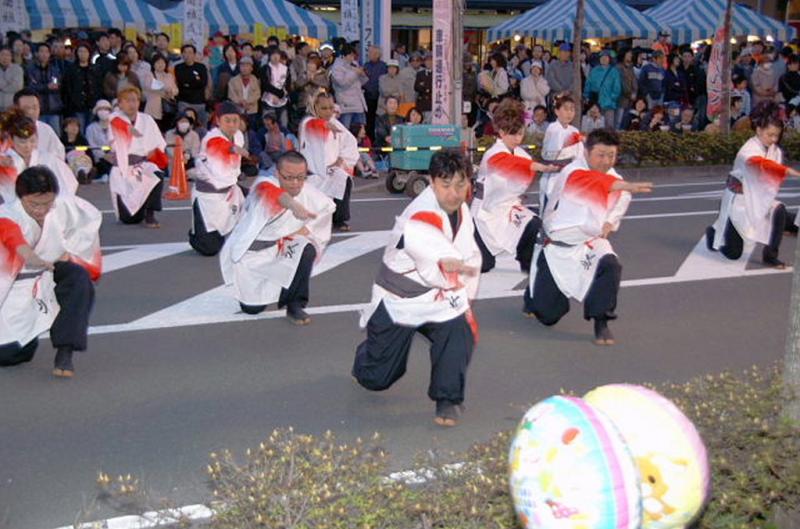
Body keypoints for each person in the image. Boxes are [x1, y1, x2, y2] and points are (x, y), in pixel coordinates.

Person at [352, 150, 481, 427]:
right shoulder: (421, 215)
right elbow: (433, 265)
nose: (454, 193)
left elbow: (470, 253)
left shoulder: (462, 209)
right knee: (377, 378)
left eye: (461, 184)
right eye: (445, 184)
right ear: (432, 182)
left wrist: (466, 297)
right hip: (400, 298)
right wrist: (453, 269)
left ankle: (447, 399)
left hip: (438, 295)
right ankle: (366, 355)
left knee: (459, 330)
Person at [524, 129, 653, 345]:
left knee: (610, 265)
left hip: (588, 243)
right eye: (600, 155)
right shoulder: (572, 172)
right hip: (556, 247)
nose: (606, 161)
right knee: (548, 316)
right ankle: (533, 294)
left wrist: (610, 221)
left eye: (611, 155)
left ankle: (601, 322)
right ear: (586, 152)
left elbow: (620, 202)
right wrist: (623, 186)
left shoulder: (615, 179)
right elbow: (592, 182)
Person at [0, 166, 101, 376]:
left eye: (46, 203)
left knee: (78, 278)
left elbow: (90, 218)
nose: (41, 210)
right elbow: (12, 237)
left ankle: (65, 351)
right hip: (12, 287)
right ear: (20, 197)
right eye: (33, 204)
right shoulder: (7, 214)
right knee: (13, 355)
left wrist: (70, 250)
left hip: (47, 273)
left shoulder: (62, 206)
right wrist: (31, 257)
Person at [220, 151, 335, 324]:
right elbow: (272, 193)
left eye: (300, 177)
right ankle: (268, 291)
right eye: (289, 177)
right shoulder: (263, 184)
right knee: (252, 309)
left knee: (306, 249)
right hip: (253, 253)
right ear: (277, 173)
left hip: (282, 247)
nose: (295, 183)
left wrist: (308, 228)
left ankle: (295, 304)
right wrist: (293, 205)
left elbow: (328, 208)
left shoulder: (308, 191)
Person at [706, 103, 800, 269]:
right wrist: (787, 171)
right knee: (733, 253)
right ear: (758, 130)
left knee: (778, 210)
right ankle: (713, 233)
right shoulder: (748, 149)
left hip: (757, 196)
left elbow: (770, 177)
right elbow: (759, 162)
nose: (773, 139)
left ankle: (770, 255)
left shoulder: (775, 151)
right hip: (739, 200)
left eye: (776, 135)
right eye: (770, 135)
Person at [471, 98, 559, 274]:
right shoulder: (493, 154)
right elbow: (510, 163)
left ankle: (527, 262)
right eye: (513, 134)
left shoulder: (521, 154)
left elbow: (520, 167)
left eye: (520, 134)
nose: (518, 139)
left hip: (508, 208)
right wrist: (538, 166)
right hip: (485, 212)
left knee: (533, 224)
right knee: (485, 264)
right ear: (502, 132)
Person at [187, 102, 247, 256]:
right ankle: (197, 235)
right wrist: (234, 149)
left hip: (230, 191)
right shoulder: (211, 138)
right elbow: (221, 146)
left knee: (256, 201)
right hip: (209, 195)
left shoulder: (238, 136)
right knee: (209, 249)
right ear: (218, 121)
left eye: (235, 120)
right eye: (227, 120)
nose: (232, 124)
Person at [107, 86, 168, 228]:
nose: (132, 104)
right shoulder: (115, 119)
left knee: (155, 173)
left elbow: (158, 142)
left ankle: (150, 213)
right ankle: (139, 210)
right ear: (120, 103)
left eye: (134, 100)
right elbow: (116, 130)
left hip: (142, 164)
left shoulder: (147, 119)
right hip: (122, 169)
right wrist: (129, 129)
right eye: (127, 101)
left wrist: (154, 151)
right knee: (129, 219)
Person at [299, 91, 359, 232]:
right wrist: (324, 125)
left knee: (343, 179)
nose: (328, 112)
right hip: (313, 172)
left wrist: (341, 159)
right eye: (324, 108)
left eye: (331, 108)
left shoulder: (335, 123)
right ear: (315, 107)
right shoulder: (307, 123)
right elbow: (314, 125)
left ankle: (340, 219)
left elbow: (350, 142)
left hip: (332, 169)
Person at [0, 109, 78, 201]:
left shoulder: (48, 159)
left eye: (32, 141)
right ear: (11, 140)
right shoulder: (4, 162)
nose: (28, 146)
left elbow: (67, 187)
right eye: (22, 142)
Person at [540, 92, 583, 210]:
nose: (569, 113)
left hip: (570, 175)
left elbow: (579, 155)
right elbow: (549, 155)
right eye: (566, 109)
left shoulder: (574, 130)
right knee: (551, 210)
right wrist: (567, 153)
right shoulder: (553, 128)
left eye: (572, 109)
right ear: (557, 111)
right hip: (554, 175)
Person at [25, 43, 64, 134]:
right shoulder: (30, 69)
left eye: (46, 52)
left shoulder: (55, 69)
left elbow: (58, 85)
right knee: (39, 135)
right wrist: (46, 87)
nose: (44, 54)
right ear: (36, 53)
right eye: (41, 51)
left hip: (54, 108)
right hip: (38, 109)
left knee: (55, 135)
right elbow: (31, 87)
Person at [62, 43, 98, 132]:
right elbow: (66, 88)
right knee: (79, 130)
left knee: (91, 130)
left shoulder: (94, 69)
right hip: (77, 107)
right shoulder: (71, 70)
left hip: (92, 105)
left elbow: (98, 86)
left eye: (85, 51)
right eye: (80, 51)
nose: (83, 54)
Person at [331, 44, 368, 129]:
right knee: (346, 130)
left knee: (361, 130)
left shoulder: (354, 64)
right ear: (344, 55)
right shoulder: (337, 67)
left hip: (358, 103)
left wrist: (363, 75)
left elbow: (362, 83)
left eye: (353, 55)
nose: (352, 58)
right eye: (350, 55)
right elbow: (342, 83)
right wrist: (355, 73)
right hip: (346, 105)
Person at [174, 44, 209, 127]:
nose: (187, 55)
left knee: (201, 127)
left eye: (190, 52)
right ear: (182, 54)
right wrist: (194, 82)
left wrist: (188, 84)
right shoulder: (178, 67)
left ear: (194, 54)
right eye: (185, 52)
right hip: (184, 102)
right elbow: (181, 82)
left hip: (199, 102)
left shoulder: (201, 67)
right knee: (183, 126)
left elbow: (203, 83)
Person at [584, 50, 621, 129]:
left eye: (606, 57)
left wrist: (612, 98)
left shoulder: (614, 71)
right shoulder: (594, 70)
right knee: (595, 125)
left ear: (609, 59)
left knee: (608, 126)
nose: (604, 59)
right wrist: (586, 95)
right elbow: (588, 84)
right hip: (596, 103)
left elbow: (617, 87)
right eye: (602, 57)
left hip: (609, 104)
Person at [143, 53, 179, 131]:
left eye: (162, 62)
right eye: (158, 62)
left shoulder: (169, 76)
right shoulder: (149, 75)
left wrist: (171, 91)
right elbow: (151, 86)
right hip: (153, 108)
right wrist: (166, 89)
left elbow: (176, 90)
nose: (160, 65)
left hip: (167, 109)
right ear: (153, 64)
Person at [260, 47, 291, 129]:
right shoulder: (265, 68)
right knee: (269, 125)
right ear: (269, 56)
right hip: (268, 100)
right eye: (273, 54)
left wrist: (281, 95)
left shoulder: (286, 69)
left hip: (282, 101)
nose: (275, 57)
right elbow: (265, 85)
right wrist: (277, 94)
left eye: (277, 54)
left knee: (283, 125)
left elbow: (288, 85)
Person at [228, 56, 261, 126]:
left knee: (252, 129)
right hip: (238, 110)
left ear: (251, 68)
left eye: (247, 66)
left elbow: (257, 94)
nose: (245, 68)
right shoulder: (233, 80)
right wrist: (241, 102)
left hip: (251, 110)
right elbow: (231, 95)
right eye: (242, 66)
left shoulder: (255, 79)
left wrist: (247, 102)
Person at [86, 99, 114, 180]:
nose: (103, 111)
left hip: (113, 155)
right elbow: (92, 145)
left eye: (106, 109)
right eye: (100, 109)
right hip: (99, 158)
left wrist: (112, 154)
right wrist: (104, 155)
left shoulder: (115, 126)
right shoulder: (91, 128)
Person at [0, 46, 24, 112]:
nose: (5, 57)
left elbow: (17, 86)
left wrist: (2, 87)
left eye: (7, 55)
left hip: (12, 106)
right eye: (2, 54)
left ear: (11, 57)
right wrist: (9, 83)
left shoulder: (17, 69)